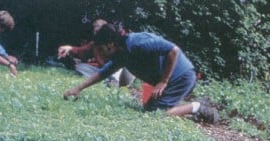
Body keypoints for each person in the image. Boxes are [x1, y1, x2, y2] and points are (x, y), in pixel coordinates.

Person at [63, 23, 218, 123]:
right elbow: (104, 72)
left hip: (181, 76)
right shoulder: (121, 53)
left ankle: (198, 107)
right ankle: (190, 112)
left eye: (100, 48)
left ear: (110, 44)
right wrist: (78, 88)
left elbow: (173, 50)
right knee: (149, 109)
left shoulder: (137, 43)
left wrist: (164, 80)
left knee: (158, 115)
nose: (99, 53)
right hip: (173, 79)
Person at [57, 18, 134, 87]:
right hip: (103, 71)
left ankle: (114, 81)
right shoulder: (95, 44)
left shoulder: (119, 43)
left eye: (98, 26)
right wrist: (69, 48)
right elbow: (82, 50)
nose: (95, 29)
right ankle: (107, 80)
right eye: (94, 26)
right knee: (80, 67)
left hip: (118, 71)